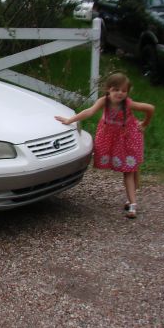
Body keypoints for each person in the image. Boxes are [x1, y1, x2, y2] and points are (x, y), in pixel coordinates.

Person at [54, 72, 155, 219]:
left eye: (124, 90)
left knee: (128, 171)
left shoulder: (128, 104)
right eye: (116, 89)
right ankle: (131, 200)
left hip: (128, 139)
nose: (120, 93)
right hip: (112, 140)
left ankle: (132, 205)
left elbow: (150, 108)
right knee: (128, 170)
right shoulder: (104, 101)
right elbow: (89, 111)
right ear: (108, 89)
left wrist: (144, 123)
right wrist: (70, 120)